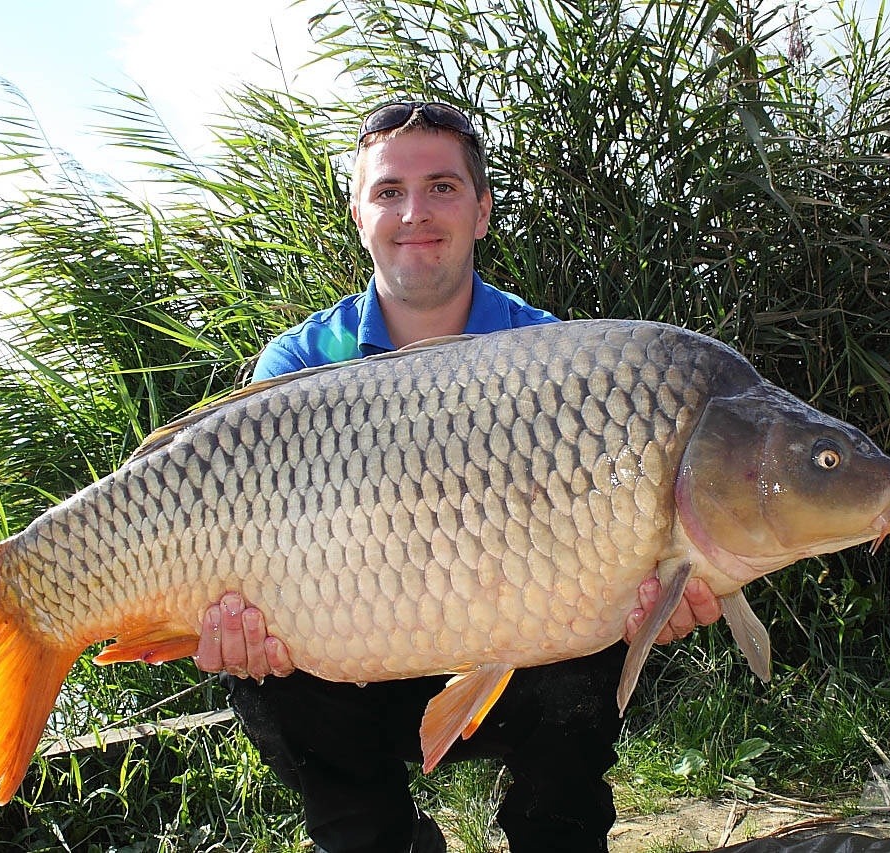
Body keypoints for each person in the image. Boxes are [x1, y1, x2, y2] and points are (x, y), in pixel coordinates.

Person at [194, 101, 723, 853]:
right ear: (359, 214)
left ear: (481, 211)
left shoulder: (553, 354)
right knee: (264, 673)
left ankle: (556, 832)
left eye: (442, 187)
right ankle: (383, 839)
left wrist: (657, 588)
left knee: (593, 637)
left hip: (522, 669)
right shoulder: (300, 365)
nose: (415, 212)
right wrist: (225, 627)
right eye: (388, 192)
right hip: (351, 662)